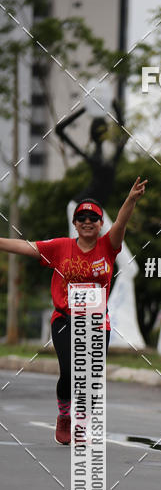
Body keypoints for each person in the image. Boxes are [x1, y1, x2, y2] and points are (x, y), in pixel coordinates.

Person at [0, 177, 147, 444]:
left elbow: (121, 223)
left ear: (101, 224)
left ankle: (82, 422)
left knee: (91, 377)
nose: (87, 221)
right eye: (82, 218)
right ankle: (65, 415)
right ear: (75, 223)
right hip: (65, 320)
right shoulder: (60, 248)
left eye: (93, 218)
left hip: (97, 323)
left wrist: (131, 199)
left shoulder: (108, 246)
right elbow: (25, 246)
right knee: (70, 371)